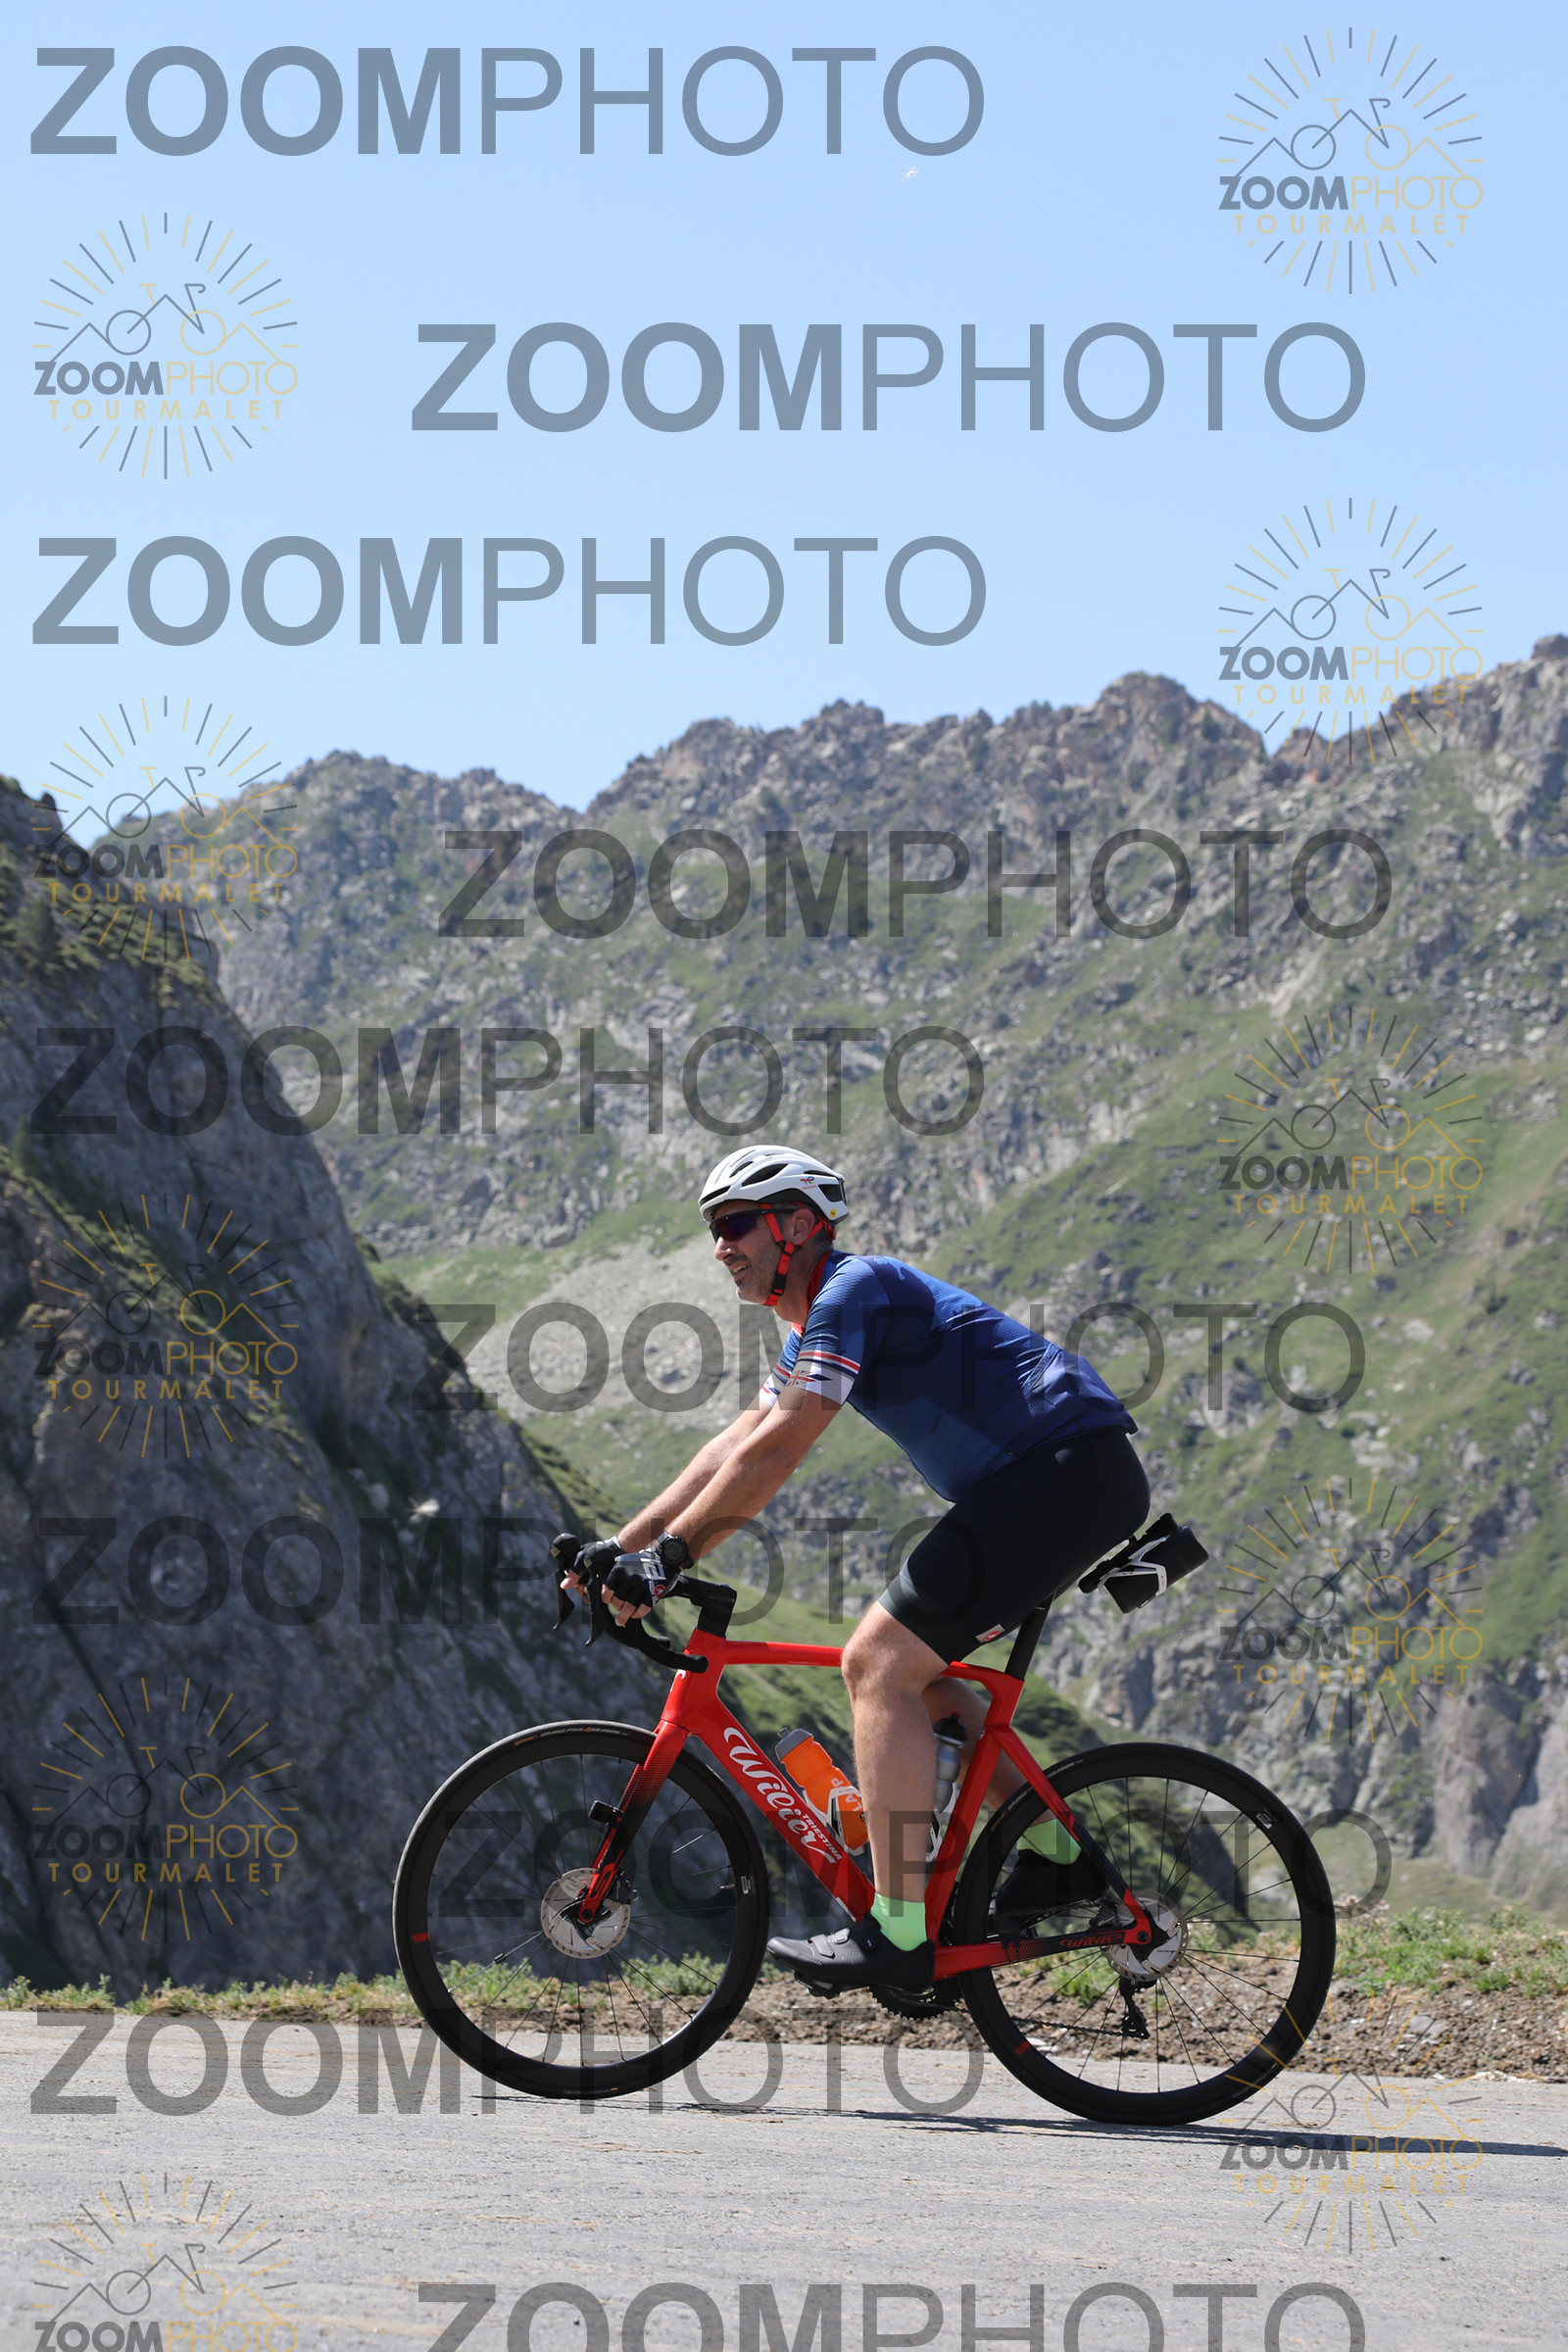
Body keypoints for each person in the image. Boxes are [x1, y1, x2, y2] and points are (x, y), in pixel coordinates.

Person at [564, 1145, 1151, 1993]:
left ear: (798, 1225)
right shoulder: (817, 1323)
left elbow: (779, 1451)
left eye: (736, 1224)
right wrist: (625, 1547)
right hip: (1054, 1479)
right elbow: (735, 1443)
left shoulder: (853, 1291)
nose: (721, 1246)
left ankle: (897, 1934)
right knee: (925, 1683)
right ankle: (1061, 1860)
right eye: (714, 1229)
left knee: (876, 1664)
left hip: (1067, 1471)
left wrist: (670, 1560)